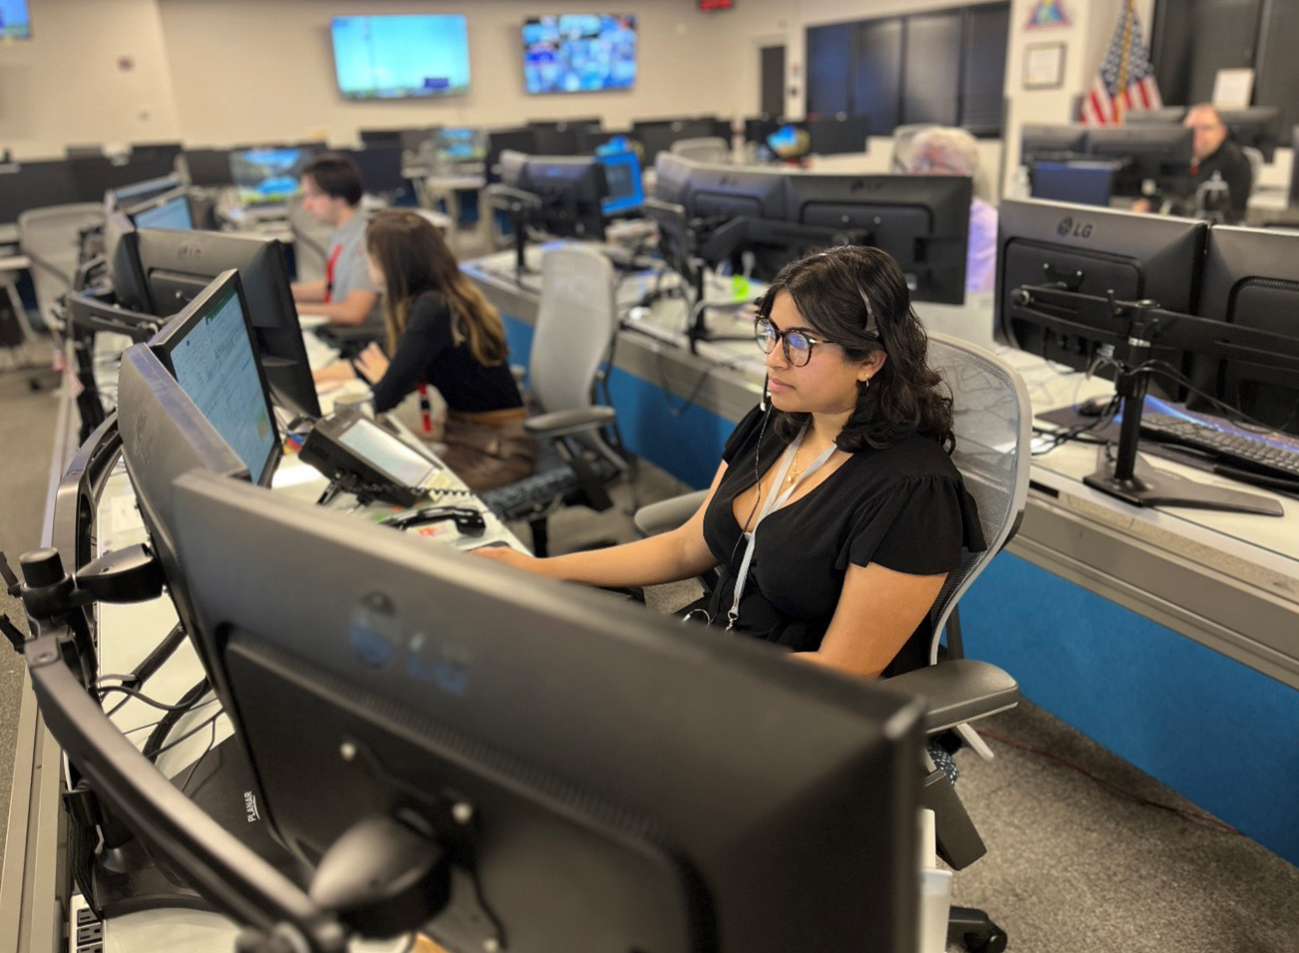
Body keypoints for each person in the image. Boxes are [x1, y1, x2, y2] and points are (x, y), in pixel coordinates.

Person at [477, 244, 986, 680]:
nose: (774, 359)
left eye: (801, 343)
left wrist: (697, 673)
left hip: (799, 705)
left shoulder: (912, 491)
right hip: (722, 650)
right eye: (771, 332)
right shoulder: (780, 420)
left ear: (870, 361)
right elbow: (684, 548)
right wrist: (537, 568)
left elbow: (845, 669)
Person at [314, 209, 536, 491]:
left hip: (497, 449)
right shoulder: (435, 298)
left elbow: (385, 394)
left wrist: (385, 381)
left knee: (395, 494)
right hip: (471, 435)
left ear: (389, 265)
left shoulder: (433, 309)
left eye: (368, 256)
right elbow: (374, 361)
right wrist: (311, 378)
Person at [290, 152, 382, 327]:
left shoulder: (366, 239)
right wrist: (287, 293)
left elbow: (353, 312)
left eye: (314, 195)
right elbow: (337, 285)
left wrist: (293, 309)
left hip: (359, 339)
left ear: (339, 196)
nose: (306, 204)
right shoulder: (343, 231)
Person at [908, 127, 998, 294]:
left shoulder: (987, 228)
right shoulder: (914, 217)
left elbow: (975, 297)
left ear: (960, 173)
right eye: (913, 163)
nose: (913, 171)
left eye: (926, 163)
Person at [1134, 103, 1253, 224]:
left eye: (1206, 128)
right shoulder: (1168, 157)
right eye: (1191, 128)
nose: (1197, 134)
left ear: (1221, 131)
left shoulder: (1235, 161)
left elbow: (1235, 214)